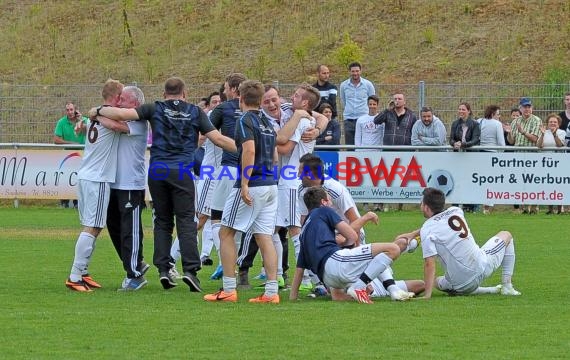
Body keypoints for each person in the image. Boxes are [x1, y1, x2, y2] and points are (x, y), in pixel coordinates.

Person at [89, 77, 237, 292]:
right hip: (182, 171)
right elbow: (218, 139)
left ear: (164, 93)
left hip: (158, 171)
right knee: (186, 219)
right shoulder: (195, 112)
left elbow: (121, 114)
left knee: (162, 221)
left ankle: (164, 270)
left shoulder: (154, 108)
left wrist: (97, 110)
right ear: (184, 93)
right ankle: (190, 271)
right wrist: (246, 151)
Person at [203, 80, 280, 303]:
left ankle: (228, 289)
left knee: (225, 233)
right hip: (270, 184)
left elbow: (249, 149)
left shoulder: (245, 119)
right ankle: (271, 293)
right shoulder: (267, 121)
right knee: (264, 236)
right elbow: (274, 156)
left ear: (240, 99)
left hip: (253, 183)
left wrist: (244, 183)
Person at [289, 187, 413, 304]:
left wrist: (293, 298)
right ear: (324, 202)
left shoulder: (303, 232)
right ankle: (359, 287)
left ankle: (393, 291)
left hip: (328, 279)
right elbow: (352, 236)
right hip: (337, 263)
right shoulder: (324, 210)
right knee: (393, 249)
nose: (331, 203)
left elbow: (299, 270)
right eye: (329, 199)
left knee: (375, 258)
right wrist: (345, 239)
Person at [65, 79, 124, 292]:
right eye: (122, 95)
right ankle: (74, 275)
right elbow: (124, 127)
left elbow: (83, 128)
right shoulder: (108, 114)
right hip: (98, 178)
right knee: (94, 226)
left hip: (86, 175)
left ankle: (83, 272)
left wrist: (92, 117)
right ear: (116, 96)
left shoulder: (96, 116)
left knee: (92, 225)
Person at [418, 187, 521, 299]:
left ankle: (487, 289)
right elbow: (440, 225)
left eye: (421, 203)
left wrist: (427, 295)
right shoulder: (456, 211)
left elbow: (429, 263)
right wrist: (413, 234)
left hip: (459, 284)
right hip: (481, 267)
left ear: (427, 208)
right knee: (506, 235)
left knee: (434, 281)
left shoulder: (427, 230)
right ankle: (507, 286)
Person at [103, 86, 150, 291]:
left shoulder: (139, 122)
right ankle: (135, 262)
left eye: (124, 100)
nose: (119, 103)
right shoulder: (121, 118)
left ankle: (134, 275)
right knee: (113, 224)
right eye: (119, 99)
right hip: (114, 182)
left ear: (135, 104)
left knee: (129, 229)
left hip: (131, 183)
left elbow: (113, 125)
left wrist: (96, 112)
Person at [208, 73, 247, 281]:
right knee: (240, 221)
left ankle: (226, 261)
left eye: (225, 88)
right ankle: (240, 263)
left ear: (233, 89)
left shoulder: (222, 109)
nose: (223, 92)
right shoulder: (254, 108)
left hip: (228, 168)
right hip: (250, 171)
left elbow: (205, 132)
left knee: (216, 217)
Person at [505, 97, 542, 214]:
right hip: (518, 156)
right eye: (525, 107)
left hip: (531, 155)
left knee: (532, 181)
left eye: (529, 107)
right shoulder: (515, 121)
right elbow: (511, 141)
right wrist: (509, 133)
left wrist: (523, 132)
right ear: (520, 108)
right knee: (520, 182)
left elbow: (535, 139)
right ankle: (521, 207)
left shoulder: (536, 120)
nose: (527, 109)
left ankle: (533, 207)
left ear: (532, 108)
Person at [54, 102, 89, 208]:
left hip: (82, 154)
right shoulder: (61, 122)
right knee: (65, 178)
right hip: (67, 155)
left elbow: (90, 132)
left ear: (76, 110)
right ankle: (64, 202)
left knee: (80, 178)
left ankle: (77, 202)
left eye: (71, 110)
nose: (69, 112)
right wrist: (71, 143)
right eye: (67, 110)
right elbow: (56, 139)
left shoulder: (85, 120)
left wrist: (81, 120)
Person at [477, 105, 506, 214]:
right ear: (493, 114)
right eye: (498, 114)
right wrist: (499, 155)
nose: (499, 116)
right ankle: (487, 207)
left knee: (480, 180)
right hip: (492, 155)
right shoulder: (497, 124)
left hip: (479, 154)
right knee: (490, 181)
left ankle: (477, 205)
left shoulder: (479, 121)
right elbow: (501, 143)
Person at [339, 62, 376, 146]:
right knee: (349, 145)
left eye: (357, 71)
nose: (355, 73)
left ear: (361, 71)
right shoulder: (343, 85)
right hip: (349, 119)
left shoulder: (368, 85)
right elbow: (343, 101)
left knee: (364, 143)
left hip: (363, 118)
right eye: (353, 71)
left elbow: (372, 100)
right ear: (349, 72)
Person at [537, 114, 566, 215]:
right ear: (547, 123)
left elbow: (559, 145)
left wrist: (554, 134)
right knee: (548, 185)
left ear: (558, 124)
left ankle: (559, 209)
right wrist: (542, 134)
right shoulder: (544, 132)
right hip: (545, 163)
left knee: (558, 186)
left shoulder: (562, 132)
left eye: (555, 122)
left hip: (558, 164)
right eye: (551, 122)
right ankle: (550, 209)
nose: (552, 124)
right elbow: (539, 145)